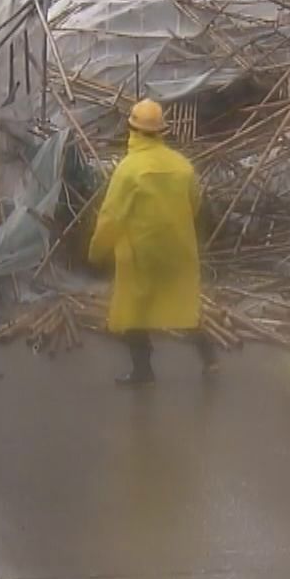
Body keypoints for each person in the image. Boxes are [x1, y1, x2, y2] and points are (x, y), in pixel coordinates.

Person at [88, 98, 218, 384]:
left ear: (131, 130)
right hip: (178, 253)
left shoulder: (128, 170)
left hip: (140, 257)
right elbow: (195, 205)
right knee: (183, 308)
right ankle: (209, 357)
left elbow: (112, 216)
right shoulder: (182, 167)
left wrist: (97, 251)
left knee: (134, 314)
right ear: (162, 131)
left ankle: (142, 371)